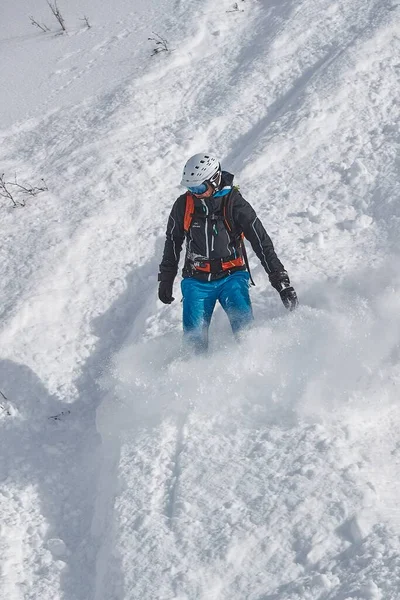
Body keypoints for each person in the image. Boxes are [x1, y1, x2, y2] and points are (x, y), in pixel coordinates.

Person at [158, 153, 298, 352]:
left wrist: (280, 280)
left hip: (232, 276)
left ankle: (253, 369)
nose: (195, 193)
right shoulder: (183, 205)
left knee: (246, 333)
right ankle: (194, 376)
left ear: (214, 179)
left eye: (199, 187)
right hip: (196, 280)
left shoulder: (235, 203)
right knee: (193, 342)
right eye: (190, 188)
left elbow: (261, 242)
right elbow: (172, 242)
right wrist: (166, 278)